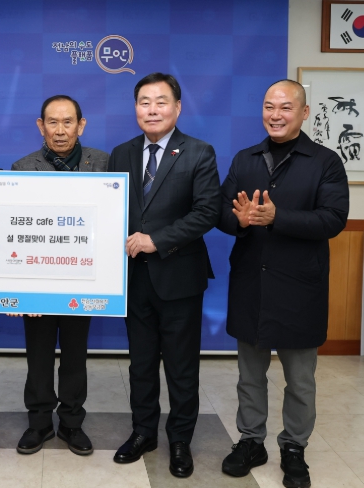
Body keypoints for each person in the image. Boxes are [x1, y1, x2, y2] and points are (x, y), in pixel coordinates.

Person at [218, 80, 348, 488]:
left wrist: (278, 218)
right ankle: (251, 440)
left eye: (286, 107)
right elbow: (221, 211)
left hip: (299, 288)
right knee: (249, 375)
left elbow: (333, 219)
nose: (275, 115)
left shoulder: (325, 162)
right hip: (250, 285)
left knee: (301, 381)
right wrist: (238, 221)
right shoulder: (245, 158)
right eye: (269, 106)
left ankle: (294, 447)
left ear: (304, 113)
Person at [107, 73, 221, 477]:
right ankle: (143, 432)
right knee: (140, 364)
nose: (152, 109)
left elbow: (207, 212)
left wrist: (156, 240)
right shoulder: (121, 153)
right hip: (134, 279)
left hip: (179, 277)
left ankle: (180, 440)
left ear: (177, 107)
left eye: (160, 101)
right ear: (135, 108)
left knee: (181, 366)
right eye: (144, 102)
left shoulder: (198, 152)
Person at [9, 95, 108, 457]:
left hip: (83, 279)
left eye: (68, 122)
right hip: (37, 281)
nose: (61, 130)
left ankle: (71, 422)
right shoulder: (22, 168)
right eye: (53, 122)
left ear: (81, 125)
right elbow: (14, 230)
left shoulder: (104, 164)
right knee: (38, 355)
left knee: (75, 355)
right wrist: (20, 288)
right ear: (41, 126)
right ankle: (38, 422)